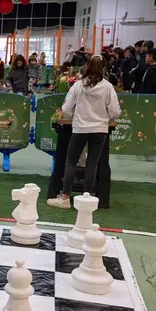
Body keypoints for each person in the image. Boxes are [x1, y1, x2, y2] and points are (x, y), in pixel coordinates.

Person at [47, 56, 120, 209]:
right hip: (100, 130)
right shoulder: (107, 87)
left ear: (87, 66)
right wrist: (103, 117)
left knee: (71, 162)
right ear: (104, 68)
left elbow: (66, 109)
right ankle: (86, 200)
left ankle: (65, 197)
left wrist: (75, 114)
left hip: (80, 128)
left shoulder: (78, 86)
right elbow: (115, 112)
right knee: (93, 163)